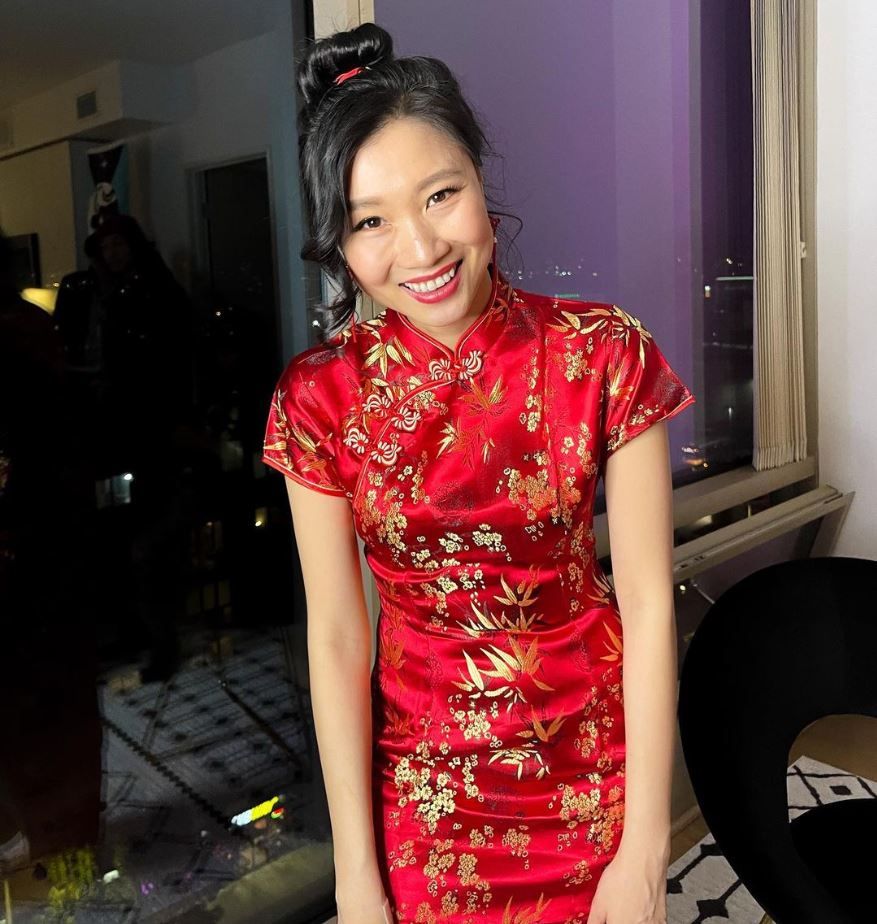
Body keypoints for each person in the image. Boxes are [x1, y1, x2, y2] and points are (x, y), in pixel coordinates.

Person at [263, 24, 696, 924]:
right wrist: (355, 879)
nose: (420, 248)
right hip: (426, 797)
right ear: (340, 243)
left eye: (440, 195)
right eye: (370, 221)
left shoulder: (601, 353)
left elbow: (649, 604)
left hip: (595, 774)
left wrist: (645, 850)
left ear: (481, 185)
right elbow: (338, 639)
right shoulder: (318, 398)